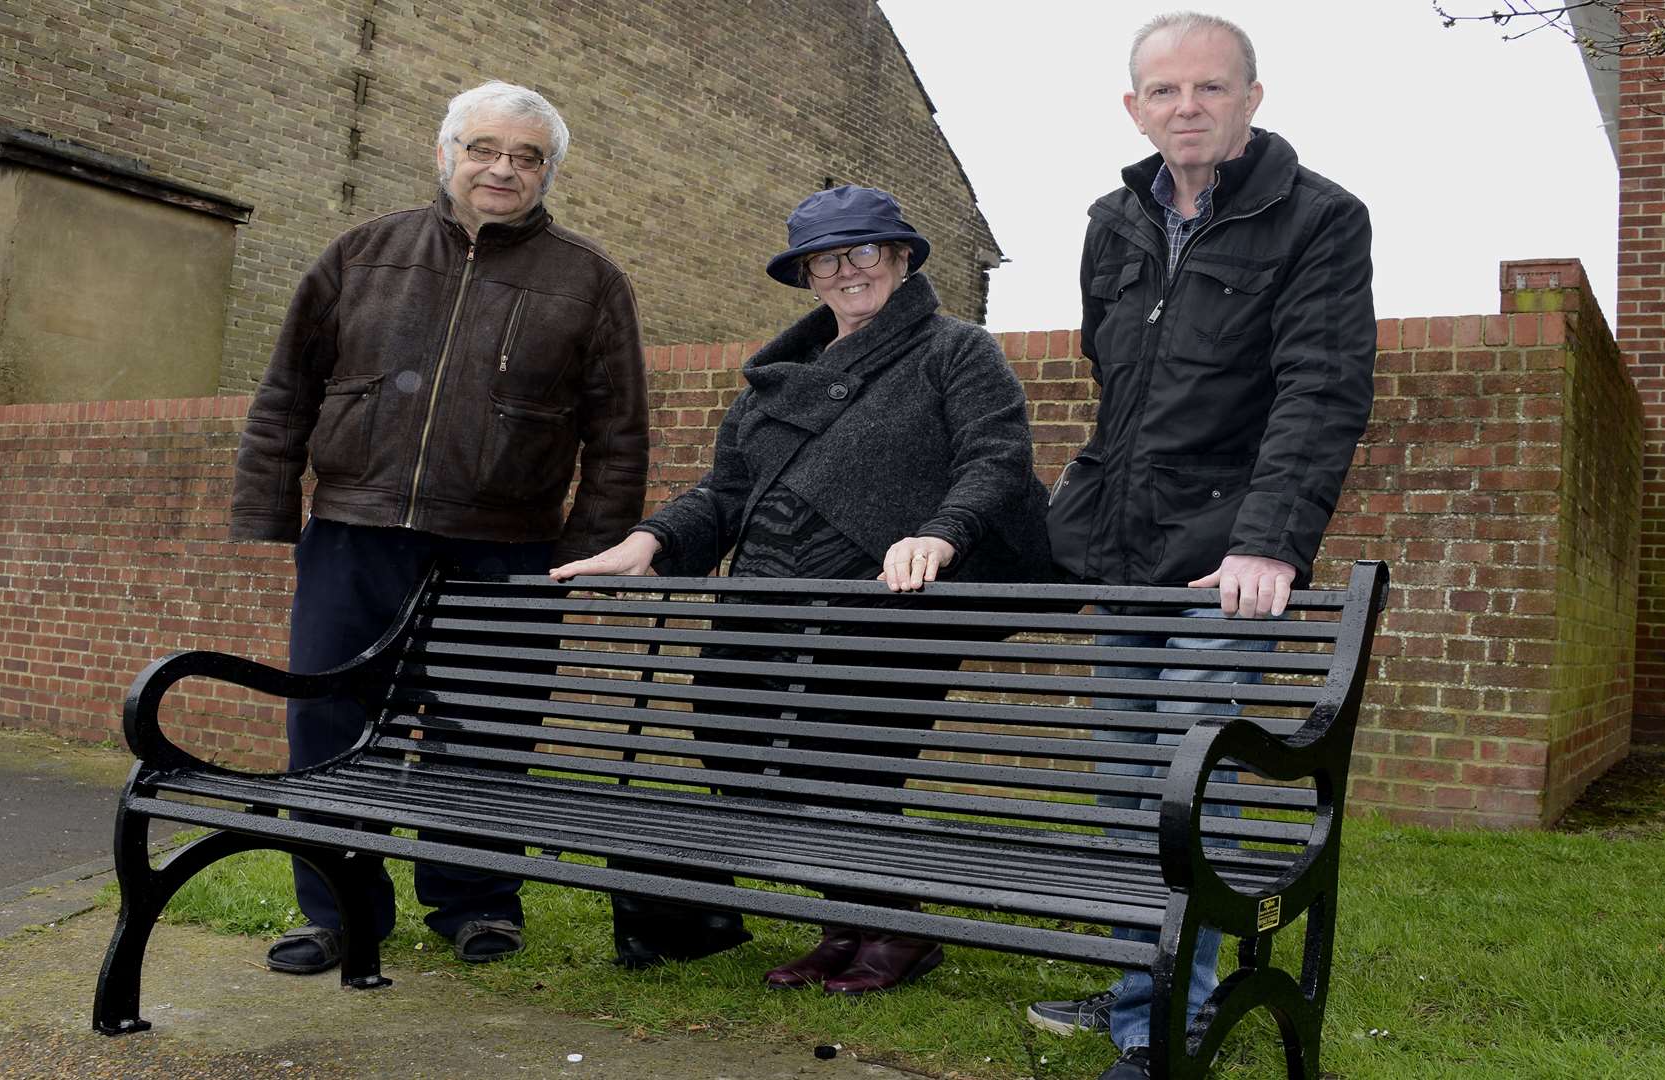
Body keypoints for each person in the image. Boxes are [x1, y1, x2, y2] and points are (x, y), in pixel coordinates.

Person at [550, 184, 1052, 992]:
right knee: (728, 728)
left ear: (899, 258)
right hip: (768, 594)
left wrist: (939, 532)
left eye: (864, 252)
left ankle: (898, 928)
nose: (847, 271)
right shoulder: (776, 380)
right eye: (828, 258)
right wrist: (650, 540)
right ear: (808, 275)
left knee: (848, 758)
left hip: (884, 596)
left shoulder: (956, 350)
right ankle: (844, 920)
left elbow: (994, 457)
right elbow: (724, 492)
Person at [228, 81, 648, 975]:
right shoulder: (360, 254)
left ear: (548, 173)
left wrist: (586, 552)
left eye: (527, 156)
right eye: (485, 148)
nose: (503, 168)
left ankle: (477, 904)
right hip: (356, 532)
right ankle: (338, 914)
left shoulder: (589, 279)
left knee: (485, 731)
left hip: (507, 546)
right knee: (328, 729)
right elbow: (285, 393)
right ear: (445, 153)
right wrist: (268, 508)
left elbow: (618, 433)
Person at [1031, 13, 1374, 1079]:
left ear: (1252, 99)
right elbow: (1117, 389)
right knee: (1123, 782)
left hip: (1230, 560)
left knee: (1195, 781)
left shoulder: (1318, 218)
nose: (1188, 107)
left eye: (1210, 89)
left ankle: (1173, 1016)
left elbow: (1321, 388)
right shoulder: (1110, 222)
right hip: (1129, 555)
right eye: (1166, 92)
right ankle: (1144, 982)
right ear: (1135, 108)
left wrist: (1268, 542)